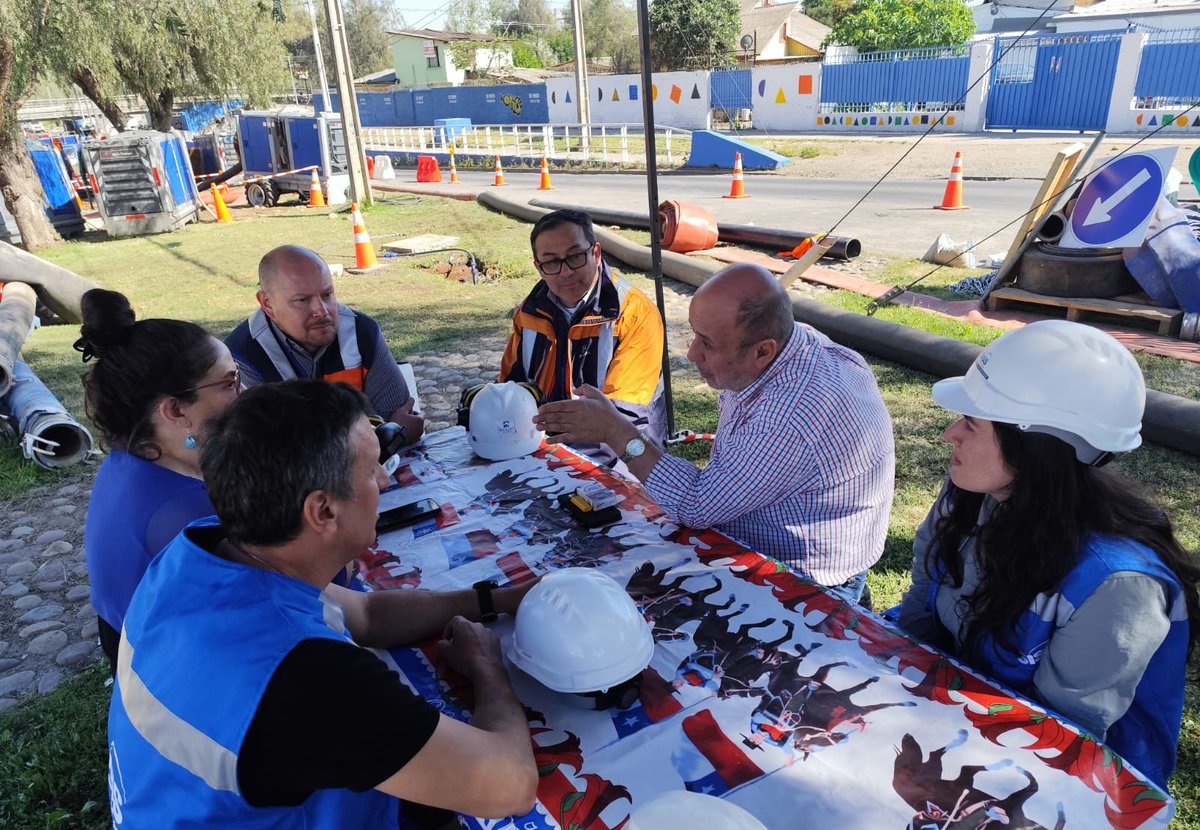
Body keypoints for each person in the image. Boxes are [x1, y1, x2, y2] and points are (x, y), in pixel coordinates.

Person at [107, 380, 538, 827]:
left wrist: (498, 598)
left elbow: (368, 615)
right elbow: (510, 785)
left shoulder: (199, 552)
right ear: (323, 511)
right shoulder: (304, 675)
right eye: (372, 470)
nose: (386, 480)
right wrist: (487, 666)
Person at [895, 320, 1199, 789]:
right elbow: (922, 603)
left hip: (1051, 773)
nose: (949, 434)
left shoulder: (1117, 585)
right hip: (957, 714)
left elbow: (1059, 739)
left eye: (971, 423)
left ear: (1033, 448)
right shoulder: (973, 493)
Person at [534, 263, 895, 604]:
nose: (692, 354)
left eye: (706, 342)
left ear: (763, 351)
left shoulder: (789, 414)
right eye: (695, 335)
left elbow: (696, 505)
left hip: (806, 581)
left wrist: (616, 431)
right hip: (776, 548)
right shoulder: (789, 345)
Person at [78, 288, 240, 669]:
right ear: (175, 410)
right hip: (172, 669)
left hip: (133, 640)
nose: (243, 392)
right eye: (229, 382)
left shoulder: (135, 455)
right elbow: (291, 594)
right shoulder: (186, 513)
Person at [500, 209, 666, 465]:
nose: (565, 272)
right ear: (538, 268)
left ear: (596, 254)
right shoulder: (528, 312)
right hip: (543, 448)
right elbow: (509, 389)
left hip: (623, 453)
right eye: (551, 262)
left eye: (575, 256)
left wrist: (563, 462)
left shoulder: (635, 314)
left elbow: (624, 418)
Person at [226, 244, 423, 442]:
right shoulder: (241, 359)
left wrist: (388, 433)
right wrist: (385, 437)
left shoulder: (362, 332)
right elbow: (271, 452)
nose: (321, 310)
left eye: (327, 294)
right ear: (267, 304)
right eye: (302, 300)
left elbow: (398, 417)